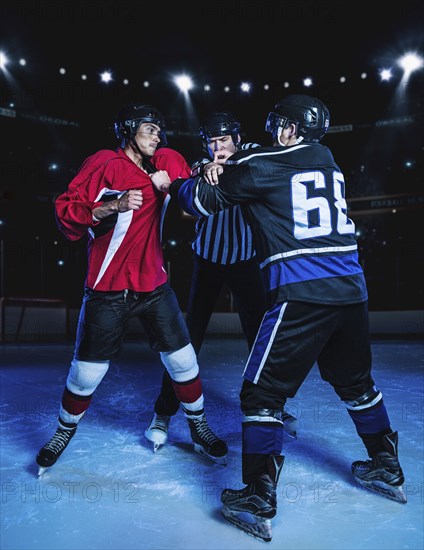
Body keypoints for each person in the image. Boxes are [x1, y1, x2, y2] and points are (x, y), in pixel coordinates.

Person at [150, 94, 407, 542]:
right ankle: (387, 467)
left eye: (278, 126)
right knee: (356, 384)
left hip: (303, 290)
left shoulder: (262, 161)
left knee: (260, 395)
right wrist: (228, 167)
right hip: (350, 289)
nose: (273, 132)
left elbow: (202, 203)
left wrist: (175, 181)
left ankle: (257, 495)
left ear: (289, 129)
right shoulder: (328, 160)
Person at [35, 102, 228, 476]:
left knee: (184, 361)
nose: (157, 134)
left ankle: (198, 426)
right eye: (149, 128)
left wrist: (204, 168)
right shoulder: (105, 162)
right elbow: (66, 212)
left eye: (159, 128)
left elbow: (192, 183)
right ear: (127, 130)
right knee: (86, 374)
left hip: (154, 286)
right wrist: (113, 205)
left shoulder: (166, 159)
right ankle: (63, 431)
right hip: (106, 290)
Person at [144, 112, 296, 452]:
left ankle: (274, 407)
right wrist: (206, 170)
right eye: (213, 142)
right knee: (186, 342)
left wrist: (229, 167)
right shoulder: (201, 166)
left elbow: (265, 157)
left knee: (260, 337)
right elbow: (190, 188)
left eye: (224, 140)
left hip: (245, 262)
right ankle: (163, 413)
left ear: (237, 139)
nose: (218, 147)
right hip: (207, 262)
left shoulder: (250, 154)